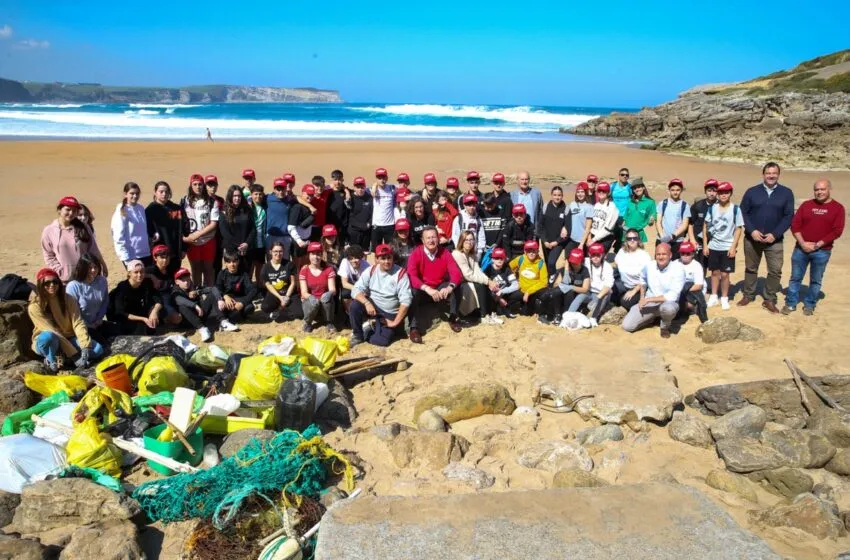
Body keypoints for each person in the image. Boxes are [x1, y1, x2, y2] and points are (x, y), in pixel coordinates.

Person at [739, 162, 796, 313]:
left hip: (774, 240)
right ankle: (748, 295)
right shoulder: (752, 192)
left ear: (778, 174)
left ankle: (769, 298)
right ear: (763, 174)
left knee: (775, 270)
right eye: (768, 173)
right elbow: (743, 212)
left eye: (774, 173)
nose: (771, 176)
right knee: (751, 268)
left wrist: (775, 234)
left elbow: (788, 216)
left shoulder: (786, 193)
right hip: (752, 238)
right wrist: (752, 231)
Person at [784, 179, 845, 316]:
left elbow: (837, 231)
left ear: (829, 189)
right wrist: (803, 243)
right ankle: (790, 303)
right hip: (801, 249)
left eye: (822, 189)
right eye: (817, 189)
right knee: (795, 278)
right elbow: (795, 225)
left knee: (816, 280)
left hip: (822, 251)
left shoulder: (838, 208)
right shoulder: (806, 205)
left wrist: (817, 244)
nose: (819, 192)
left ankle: (809, 304)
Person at [29, 268, 103, 372]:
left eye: (55, 282)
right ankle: (51, 359)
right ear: (40, 285)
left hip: (68, 338)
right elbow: (51, 330)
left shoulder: (68, 299)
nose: (52, 285)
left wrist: (85, 345)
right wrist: (74, 355)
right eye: (47, 282)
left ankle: (65, 357)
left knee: (97, 350)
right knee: (49, 337)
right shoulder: (35, 306)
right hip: (50, 341)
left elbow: (77, 322)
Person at [406, 226, 464, 342]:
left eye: (434, 237)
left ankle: (452, 318)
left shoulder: (445, 252)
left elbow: (456, 272)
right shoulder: (416, 253)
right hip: (424, 290)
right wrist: (427, 288)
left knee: (457, 286)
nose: (431, 240)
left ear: (438, 238)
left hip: (439, 289)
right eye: (428, 238)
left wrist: (449, 287)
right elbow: (411, 276)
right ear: (422, 240)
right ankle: (414, 328)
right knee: (412, 291)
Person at [349, 243, 412, 347]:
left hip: (390, 312)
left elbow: (406, 301)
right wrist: (366, 302)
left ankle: (371, 327)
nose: (386, 261)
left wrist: (395, 322)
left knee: (381, 342)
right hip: (373, 306)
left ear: (393, 258)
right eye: (383, 258)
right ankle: (358, 335)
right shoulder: (371, 270)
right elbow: (355, 290)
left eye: (389, 258)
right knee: (355, 305)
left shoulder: (401, 274)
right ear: (377, 259)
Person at [622, 243, 685, 338]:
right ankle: (652, 318)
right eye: (658, 254)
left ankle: (664, 326)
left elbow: (672, 295)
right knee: (627, 326)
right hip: (650, 303)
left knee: (669, 309)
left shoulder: (678, 269)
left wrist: (648, 300)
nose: (661, 257)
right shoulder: (649, 266)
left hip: (667, 303)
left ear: (670, 255)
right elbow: (642, 280)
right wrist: (642, 297)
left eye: (664, 254)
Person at [42, 196, 108, 283]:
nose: (71, 213)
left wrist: (103, 265)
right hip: (64, 280)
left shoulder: (84, 227)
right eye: (68, 209)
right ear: (59, 210)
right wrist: (60, 271)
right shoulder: (49, 231)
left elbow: (93, 250)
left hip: (85, 277)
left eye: (74, 210)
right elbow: (49, 256)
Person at [703, 181, 744, 310]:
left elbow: (738, 229)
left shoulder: (735, 209)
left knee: (725, 274)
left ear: (730, 193)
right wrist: (705, 244)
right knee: (714, 272)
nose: (723, 195)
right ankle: (714, 295)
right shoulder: (712, 208)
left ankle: (724, 297)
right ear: (717, 194)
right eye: (721, 192)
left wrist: (733, 247)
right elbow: (705, 226)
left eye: (726, 192)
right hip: (714, 245)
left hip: (727, 246)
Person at [453, 231, 503, 325]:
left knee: (484, 284)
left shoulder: (472, 254)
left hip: (467, 280)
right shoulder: (457, 254)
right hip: (458, 283)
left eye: (471, 240)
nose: (469, 242)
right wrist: (487, 281)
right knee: (480, 285)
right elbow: (467, 274)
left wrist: (489, 281)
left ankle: (489, 313)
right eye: (466, 240)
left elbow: (478, 271)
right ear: (461, 241)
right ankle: (484, 316)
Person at [107, 260, 164, 335]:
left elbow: (158, 298)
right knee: (141, 332)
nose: (139, 275)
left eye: (142, 271)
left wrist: (154, 312)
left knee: (154, 324)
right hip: (122, 317)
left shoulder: (146, 283)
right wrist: (143, 319)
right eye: (136, 272)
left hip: (137, 310)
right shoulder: (122, 289)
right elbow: (121, 313)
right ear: (129, 273)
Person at [182, 174, 220, 287]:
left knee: (208, 268)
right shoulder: (184, 201)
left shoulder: (212, 201)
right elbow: (182, 222)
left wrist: (198, 234)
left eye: (200, 184)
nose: (198, 187)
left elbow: (214, 223)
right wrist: (187, 238)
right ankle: (198, 290)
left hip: (208, 240)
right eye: (195, 184)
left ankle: (210, 293)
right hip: (192, 242)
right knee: (195, 268)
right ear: (191, 185)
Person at [509, 240, 558, 323]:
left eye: (534, 251)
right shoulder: (520, 259)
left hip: (535, 290)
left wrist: (529, 292)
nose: (531, 253)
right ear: (525, 251)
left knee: (547, 294)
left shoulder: (541, 263)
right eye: (529, 251)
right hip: (522, 289)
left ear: (537, 251)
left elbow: (544, 282)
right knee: (523, 311)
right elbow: (509, 268)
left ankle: (542, 315)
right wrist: (514, 279)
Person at [172, 267, 224, 342]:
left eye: (187, 279)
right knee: (182, 307)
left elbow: (213, 289)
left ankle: (223, 321)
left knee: (211, 295)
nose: (186, 282)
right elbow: (178, 300)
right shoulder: (175, 291)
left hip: (200, 315)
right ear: (177, 282)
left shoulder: (194, 288)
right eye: (183, 280)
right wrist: (195, 305)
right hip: (187, 321)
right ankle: (202, 329)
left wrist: (219, 299)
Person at [66, 254, 110, 340]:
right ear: (83, 268)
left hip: (97, 322)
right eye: (89, 268)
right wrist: (89, 325)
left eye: (95, 267)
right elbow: (73, 313)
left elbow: (105, 301)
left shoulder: (102, 281)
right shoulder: (73, 286)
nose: (93, 270)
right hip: (81, 326)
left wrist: (98, 320)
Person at [146, 181, 184, 277]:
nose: (164, 194)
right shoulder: (149, 210)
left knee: (174, 278)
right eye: (161, 191)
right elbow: (147, 233)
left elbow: (184, 229)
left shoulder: (176, 209)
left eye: (166, 192)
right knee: (160, 279)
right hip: (159, 254)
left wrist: (184, 248)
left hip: (175, 253)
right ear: (155, 192)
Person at [111, 181, 152, 268]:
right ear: (125, 194)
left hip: (145, 253)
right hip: (131, 255)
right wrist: (126, 259)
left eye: (137, 193)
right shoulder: (121, 211)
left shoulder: (140, 208)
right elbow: (118, 237)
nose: (135, 196)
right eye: (132, 193)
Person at [299, 241, 338, 333]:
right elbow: (304, 292)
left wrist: (329, 293)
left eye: (318, 254)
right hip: (311, 302)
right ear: (309, 255)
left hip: (324, 302)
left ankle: (329, 322)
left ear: (322, 255)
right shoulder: (304, 270)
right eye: (313, 254)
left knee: (328, 299)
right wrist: (311, 297)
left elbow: (333, 289)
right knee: (313, 303)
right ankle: (308, 322)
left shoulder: (328, 269)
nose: (315, 257)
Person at [215, 250, 257, 330]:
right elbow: (217, 288)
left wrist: (242, 302)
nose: (232, 264)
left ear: (238, 262)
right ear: (226, 263)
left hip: (239, 300)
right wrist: (225, 296)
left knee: (249, 307)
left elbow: (253, 290)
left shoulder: (243, 274)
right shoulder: (222, 274)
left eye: (234, 261)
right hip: (226, 301)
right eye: (229, 262)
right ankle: (227, 318)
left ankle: (236, 316)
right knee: (218, 305)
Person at [219, 185, 257, 273]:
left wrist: (247, 244)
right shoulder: (224, 212)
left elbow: (253, 229)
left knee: (246, 274)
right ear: (230, 197)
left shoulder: (247, 210)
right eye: (234, 196)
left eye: (239, 196)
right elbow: (225, 233)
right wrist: (239, 246)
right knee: (233, 274)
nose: (237, 198)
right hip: (231, 250)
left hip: (246, 249)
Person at [259, 241, 299, 322]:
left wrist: (286, 297)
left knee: (299, 314)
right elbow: (268, 285)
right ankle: (278, 308)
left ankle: (283, 308)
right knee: (265, 307)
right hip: (275, 293)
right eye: (275, 251)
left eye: (280, 251)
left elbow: (293, 283)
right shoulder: (265, 267)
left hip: (289, 293)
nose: (278, 253)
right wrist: (280, 297)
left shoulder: (289, 264)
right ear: (270, 252)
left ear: (283, 252)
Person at [613, 228, 652, 310]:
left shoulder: (644, 256)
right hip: (624, 285)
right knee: (608, 292)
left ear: (639, 240)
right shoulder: (622, 252)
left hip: (639, 288)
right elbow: (615, 264)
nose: (632, 240)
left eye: (635, 238)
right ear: (626, 240)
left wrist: (634, 291)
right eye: (629, 238)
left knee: (625, 302)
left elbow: (646, 278)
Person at [146, 244, 182, 325]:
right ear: (155, 258)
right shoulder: (151, 270)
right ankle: (163, 320)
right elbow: (136, 274)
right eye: (162, 258)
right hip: (158, 301)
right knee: (177, 318)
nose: (165, 260)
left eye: (167, 257)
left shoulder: (171, 268)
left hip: (171, 297)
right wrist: (151, 276)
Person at [577, 243, 614, 321]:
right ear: (589, 255)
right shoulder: (585, 262)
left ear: (602, 255)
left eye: (598, 255)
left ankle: (593, 318)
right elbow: (570, 259)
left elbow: (608, 285)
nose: (596, 257)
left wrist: (597, 298)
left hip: (600, 294)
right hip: (589, 292)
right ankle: (569, 314)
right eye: (593, 255)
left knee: (606, 294)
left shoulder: (607, 266)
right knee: (578, 293)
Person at [540, 186, 569, 284]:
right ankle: (549, 276)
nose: (557, 197)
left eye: (559, 195)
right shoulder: (545, 207)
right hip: (546, 241)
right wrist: (544, 240)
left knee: (552, 261)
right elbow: (541, 226)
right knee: (548, 262)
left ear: (562, 196)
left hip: (558, 242)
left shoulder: (566, 209)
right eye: (555, 195)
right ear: (551, 196)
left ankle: (552, 277)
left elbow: (568, 228)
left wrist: (557, 242)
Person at [656, 178, 691, 259]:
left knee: (676, 265)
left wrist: (672, 236)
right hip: (661, 239)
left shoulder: (685, 205)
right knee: (661, 262)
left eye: (678, 190)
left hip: (677, 241)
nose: (675, 192)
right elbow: (658, 221)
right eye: (673, 190)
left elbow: (685, 224)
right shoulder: (663, 203)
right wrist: (662, 236)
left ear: (681, 190)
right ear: (669, 190)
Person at [483, 247, 522, 318]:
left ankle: (507, 307)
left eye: (501, 258)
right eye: (497, 258)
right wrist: (499, 298)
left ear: (504, 259)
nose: (499, 260)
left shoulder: (507, 269)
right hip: (493, 297)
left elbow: (516, 285)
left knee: (520, 293)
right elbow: (485, 288)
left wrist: (502, 292)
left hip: (504, 294)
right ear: (492, 259)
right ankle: (499, 309)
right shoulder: (488, 270)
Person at [689, 179, 718, 272]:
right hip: (698, 240)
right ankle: (699, 284)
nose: (712, 193)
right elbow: (690, 224)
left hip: (714, 240)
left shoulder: (721, 205)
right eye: (709, 190)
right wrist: (692, 240)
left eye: (714, 190)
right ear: (705, 191)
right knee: (699, 265)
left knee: (714, 267)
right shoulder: (698, 206)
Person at [676, 242, 708, 323]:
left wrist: (681, 291)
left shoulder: (697, 266)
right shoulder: (675, 263)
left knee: (688, 284)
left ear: (693, 254)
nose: (685, 256)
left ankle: (699, 309)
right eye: (682, 253)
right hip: (681, 290)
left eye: (688, 253)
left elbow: (699, 286)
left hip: (694, 291)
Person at [582, 182, 618, 253]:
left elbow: (608, 229)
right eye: (599, 190)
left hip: (604, 238)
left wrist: (593, 240)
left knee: (598, 259)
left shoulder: (612, 207)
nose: (601, 192)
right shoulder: (596, 205)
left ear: (608, 193)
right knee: (588, 257)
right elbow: (590, 223)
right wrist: (589, 237)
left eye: (604, 191)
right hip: (592, 236)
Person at [288, 184, 318, 270]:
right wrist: (298, 241)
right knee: (296, 266)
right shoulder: (297, 207)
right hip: (298, 242)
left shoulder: (310, 207)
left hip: (306, 240)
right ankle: (297, 283)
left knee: (305, 266)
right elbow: (290, 227)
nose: (310, 197)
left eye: (312, 195)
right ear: (303, 193)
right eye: (308, 194)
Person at [555, 248, 591, 318]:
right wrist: (566, 272)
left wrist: (571, 287)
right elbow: (555, 285)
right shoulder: (565, 269)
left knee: (571, 292)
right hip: (565, 298)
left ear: (581, 261)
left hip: (578, 298)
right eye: (572, 261)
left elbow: (585, 289)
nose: (573, 264)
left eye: (576, 262)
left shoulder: (584, 270)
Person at [266, 176, 295, 259]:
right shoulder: (268, 198)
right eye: (278, 189)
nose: (281, 192)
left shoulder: (290, 200)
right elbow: (253, 197)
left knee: (285, 262)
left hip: (285, 237)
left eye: (283, 189)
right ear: (274, 190)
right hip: (271, 236)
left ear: (286, 189)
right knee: (270, 262)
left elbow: (299, 198)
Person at [451, 193, 486, 261]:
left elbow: (481, 236)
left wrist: (479, 252)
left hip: (474, 252)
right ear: (464, 205)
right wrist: (460, 250)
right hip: (462, 252)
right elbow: (455, 236)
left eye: (473, 205)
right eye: (469, 205)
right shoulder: (459, 218)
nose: (471, 207)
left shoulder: (478, 219)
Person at [622, 177, 656, 244]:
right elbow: (625, 218)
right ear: (633, 190)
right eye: (634, 188)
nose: (637, 189)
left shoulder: (650, 202)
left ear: (643, 187)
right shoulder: (630, 201)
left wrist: (651, 222)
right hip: (627, 233)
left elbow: (651, 219)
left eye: (639, 187)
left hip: (639, 234)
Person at [205, 174, 226, 280]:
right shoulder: (202, 200)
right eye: (209, 185)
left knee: (218, 260)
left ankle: (217, 283)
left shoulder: (220, 200)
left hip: (218, 235)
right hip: (206, 235)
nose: (212, 187)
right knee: (206, 262)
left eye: (214, 185)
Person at [371, 167, 396, 251]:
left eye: (384, 177)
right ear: (376, 179)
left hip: (389, 225)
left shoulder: (392, 188)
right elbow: (357, 190)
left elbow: (405, 189)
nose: (382, 180)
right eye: (379, 178)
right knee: (376, 251)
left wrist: (425, 190)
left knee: (390, 249)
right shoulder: (371, 189)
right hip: (376, 225)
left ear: (387, 178)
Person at [345, 177, 373, 251]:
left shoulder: (369, 198)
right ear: (354, 188)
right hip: (354, 232)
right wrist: (362, 226)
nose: (360, 189)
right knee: (353, 254)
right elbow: (350, 217)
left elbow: (372, 213)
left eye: (362, 187)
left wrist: (369, 224)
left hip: (366, 232)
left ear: (365, 187)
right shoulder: (350, 198)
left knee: (364, 253)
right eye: (358, 187)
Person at [567, 183, 594, 253]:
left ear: (586, 193)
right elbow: (566, 219)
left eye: (582, 192)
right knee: (568, 257)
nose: (580, 194)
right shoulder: (572, 204)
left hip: (582, 241)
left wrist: (581, 244)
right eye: (578, 192)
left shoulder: (589, 207)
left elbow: (588, 227)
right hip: (571, 239)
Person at [249, 184, 267, 285]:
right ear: (251, 195)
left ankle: (259, 286)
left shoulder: (264, 206)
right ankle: (250, 287)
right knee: (250, 266)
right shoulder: (248, 207)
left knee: (260, 265)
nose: (258, 196)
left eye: (260, 194)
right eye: (255, 194)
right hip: (250, 242)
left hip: (262, 242)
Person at [326, 170, 349, 248]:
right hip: (330, 225)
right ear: (332, 180)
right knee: (329, 248)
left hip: (342, 226)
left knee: (341, 247)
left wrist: (346, 190)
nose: (337, 182)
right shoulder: (327, 192)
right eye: (335, 180)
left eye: (339, 180)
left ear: (342, 180)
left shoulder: (346, 192)